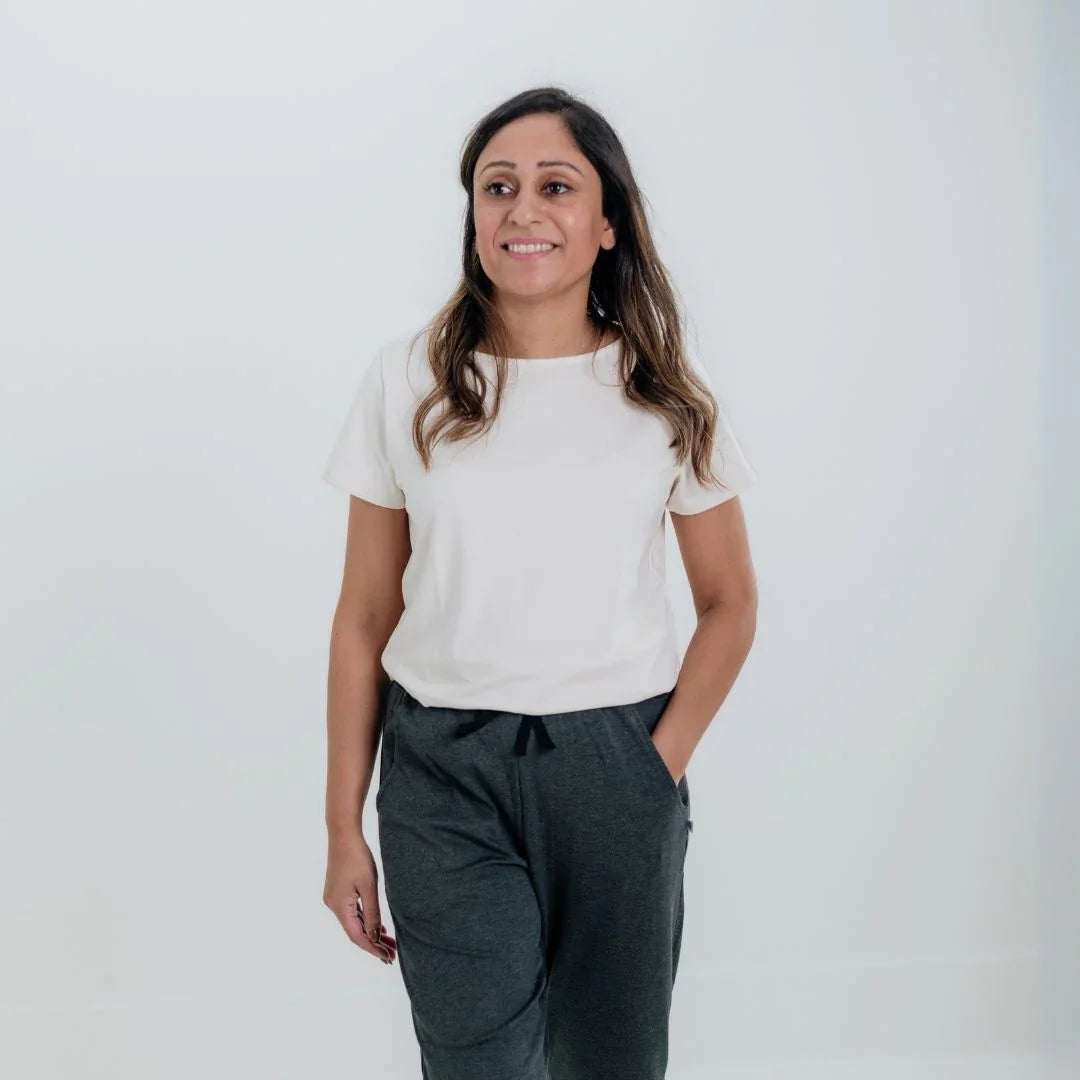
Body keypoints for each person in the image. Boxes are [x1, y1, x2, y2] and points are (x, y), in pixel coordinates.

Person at [320, 85, 758, 1080]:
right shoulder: (407, 383)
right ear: (472, 215)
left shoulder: (666, 398)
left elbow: (731, 602)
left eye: (556, 186)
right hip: (444, 774)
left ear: (607, 224)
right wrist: (342, 827)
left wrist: (659, 763)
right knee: (475, 1062)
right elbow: (363, 616)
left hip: (618, 765)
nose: (522, 210)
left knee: (613, 1060)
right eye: (496, 186)